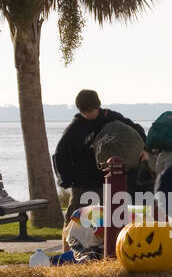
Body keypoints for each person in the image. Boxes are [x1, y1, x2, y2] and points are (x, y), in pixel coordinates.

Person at [53, 89, 147, 221]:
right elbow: (60, 155)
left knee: (109, 220)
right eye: (84, 112)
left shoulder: (111, 118)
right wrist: (65, 179)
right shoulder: (75, 128)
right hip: (83, 183)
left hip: (109, 181)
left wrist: (144, 148)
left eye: (90, 111)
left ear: (97, 106)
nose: (87, 115)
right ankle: (70, 241)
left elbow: (136, 129)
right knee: (77, 220)